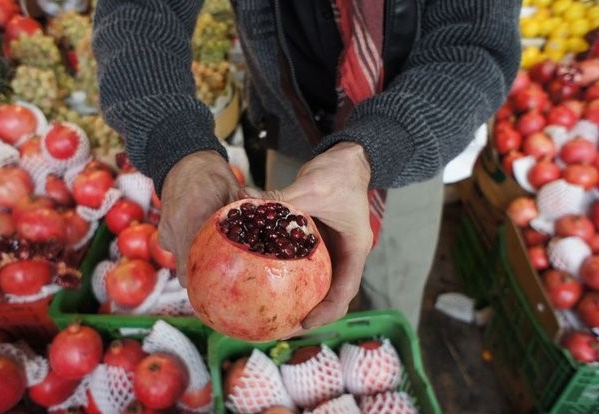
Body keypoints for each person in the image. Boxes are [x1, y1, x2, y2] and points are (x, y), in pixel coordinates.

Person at [92, 0, 522, 331]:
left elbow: (475, 42)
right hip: (291, 132)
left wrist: (377, 148)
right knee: (296, 315)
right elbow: (145, 9)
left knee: (392, 294)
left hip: (416, 140)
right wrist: (177, 145)